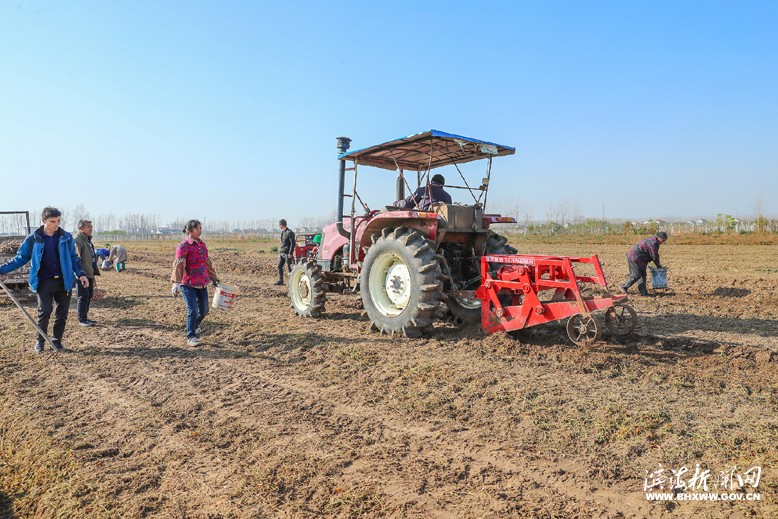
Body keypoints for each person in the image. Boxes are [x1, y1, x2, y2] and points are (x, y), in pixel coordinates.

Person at [0, 207, 88, 352]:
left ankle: (56, 341)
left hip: (64, 281)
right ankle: (40, 340)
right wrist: (1, 269)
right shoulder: (33, 239)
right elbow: (20, 258)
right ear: (43, 221)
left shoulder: (65, 237)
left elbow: (74, 258)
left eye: (58, 221)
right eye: (53, 221)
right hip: (44, 282)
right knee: (45, 311)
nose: (56, 224)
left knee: (62, 313)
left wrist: (81, 274)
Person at [170, 219, 220, 346]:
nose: (200, 231)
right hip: (188, 283)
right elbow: (179, 264)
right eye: (197, 229)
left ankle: (195, 324)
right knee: (193, 309)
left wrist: (214, 278)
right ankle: (191, 336)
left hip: (202, 282)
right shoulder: (183, 246)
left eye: (200, 228)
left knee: (204, 310)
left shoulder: (202, 245)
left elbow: (207, 263)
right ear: (189, 231)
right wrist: (176, 282)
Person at [620, 231, 668, 296]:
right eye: (664, 240)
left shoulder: (652, 240)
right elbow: (654, 256)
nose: (663, 242)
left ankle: (643, 292)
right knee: (636, 275)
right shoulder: (653, 243)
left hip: (641, 259)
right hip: (635, 257)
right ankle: (624, 286)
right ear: (660, 238)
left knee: (642, 275)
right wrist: (658, 265)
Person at [74, 219, 100, 326]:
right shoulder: (78, 240)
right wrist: (80, 273)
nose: (91, 229)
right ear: (81, 228)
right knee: (83, 296)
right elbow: (76, 257)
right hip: (82, 274)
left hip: (89, 272)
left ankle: (85, 317)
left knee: (88, 295)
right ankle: (81, 319)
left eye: (91, 226)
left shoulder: (87, 240)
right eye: (88, 227)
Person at [275, 219, 295, 286]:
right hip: (282, 252)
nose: (279, 226)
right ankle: (280, 281)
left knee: (290, 267)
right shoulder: (283, 232)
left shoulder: (290, 232)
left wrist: (290, 253)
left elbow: (293, 243)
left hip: (287, 253)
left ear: (282, 225)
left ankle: (291, 282)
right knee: (279, 266)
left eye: (279, 225)